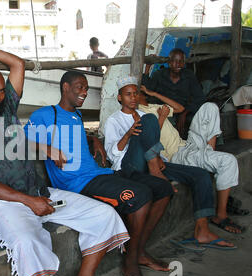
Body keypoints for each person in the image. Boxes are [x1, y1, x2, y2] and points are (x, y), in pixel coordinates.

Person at [0, 47, 129, 276]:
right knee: (26, 243)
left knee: (105, 214)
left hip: (40, 193)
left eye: (1, 91)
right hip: (5, 203)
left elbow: (17, 64)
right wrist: (28, 202)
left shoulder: (7, 111)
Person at [24, 71, 174, 276]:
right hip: (77, 183)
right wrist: (45, 147)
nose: (84, 92)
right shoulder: (46, 114)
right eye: (80, 87)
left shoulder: (76, 116)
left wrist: (93, 139)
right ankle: (131, 263)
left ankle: (138, 250)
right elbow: (20, 141)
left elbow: (74, 139)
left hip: (99, 174)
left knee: (163, 188)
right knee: (140, 195)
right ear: (65, 87)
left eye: (86, 88)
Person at [104, 76, 236, 252]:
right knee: (151, 120)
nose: (133, 98)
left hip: (151, 162)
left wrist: (157, 157)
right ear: (120, 97)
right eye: (128, 94)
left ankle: (202, 229)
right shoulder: (114, 120)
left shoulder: (143, 114)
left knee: (200, 175)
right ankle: (156, 173)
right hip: (129, 166)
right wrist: (128, 134)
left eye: (135, 94)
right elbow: (114, 155)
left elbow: (152, 141)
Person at [139, 85, 244, 234]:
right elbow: (149, 139)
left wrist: (154, 92)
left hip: (187, 145)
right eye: (131, 93)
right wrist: (162, 117)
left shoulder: (153, 106)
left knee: (210, 107)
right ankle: (220, 216)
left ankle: (207, 156)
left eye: (138, 91)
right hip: (176, 156)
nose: (136, 95)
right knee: (228, 161)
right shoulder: (137, 114)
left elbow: (179, 108)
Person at [143, 48, 206, 139]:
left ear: (184, 63)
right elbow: (148, 90)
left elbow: (200, 98)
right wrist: (147, 67)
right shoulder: (159, 74)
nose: (178, 64)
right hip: (165, 110)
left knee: (197, 120)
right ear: (169, 63)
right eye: (174, 61)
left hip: (184, 109)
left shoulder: (189, 76)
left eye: (181, 61)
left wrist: (184, 113)